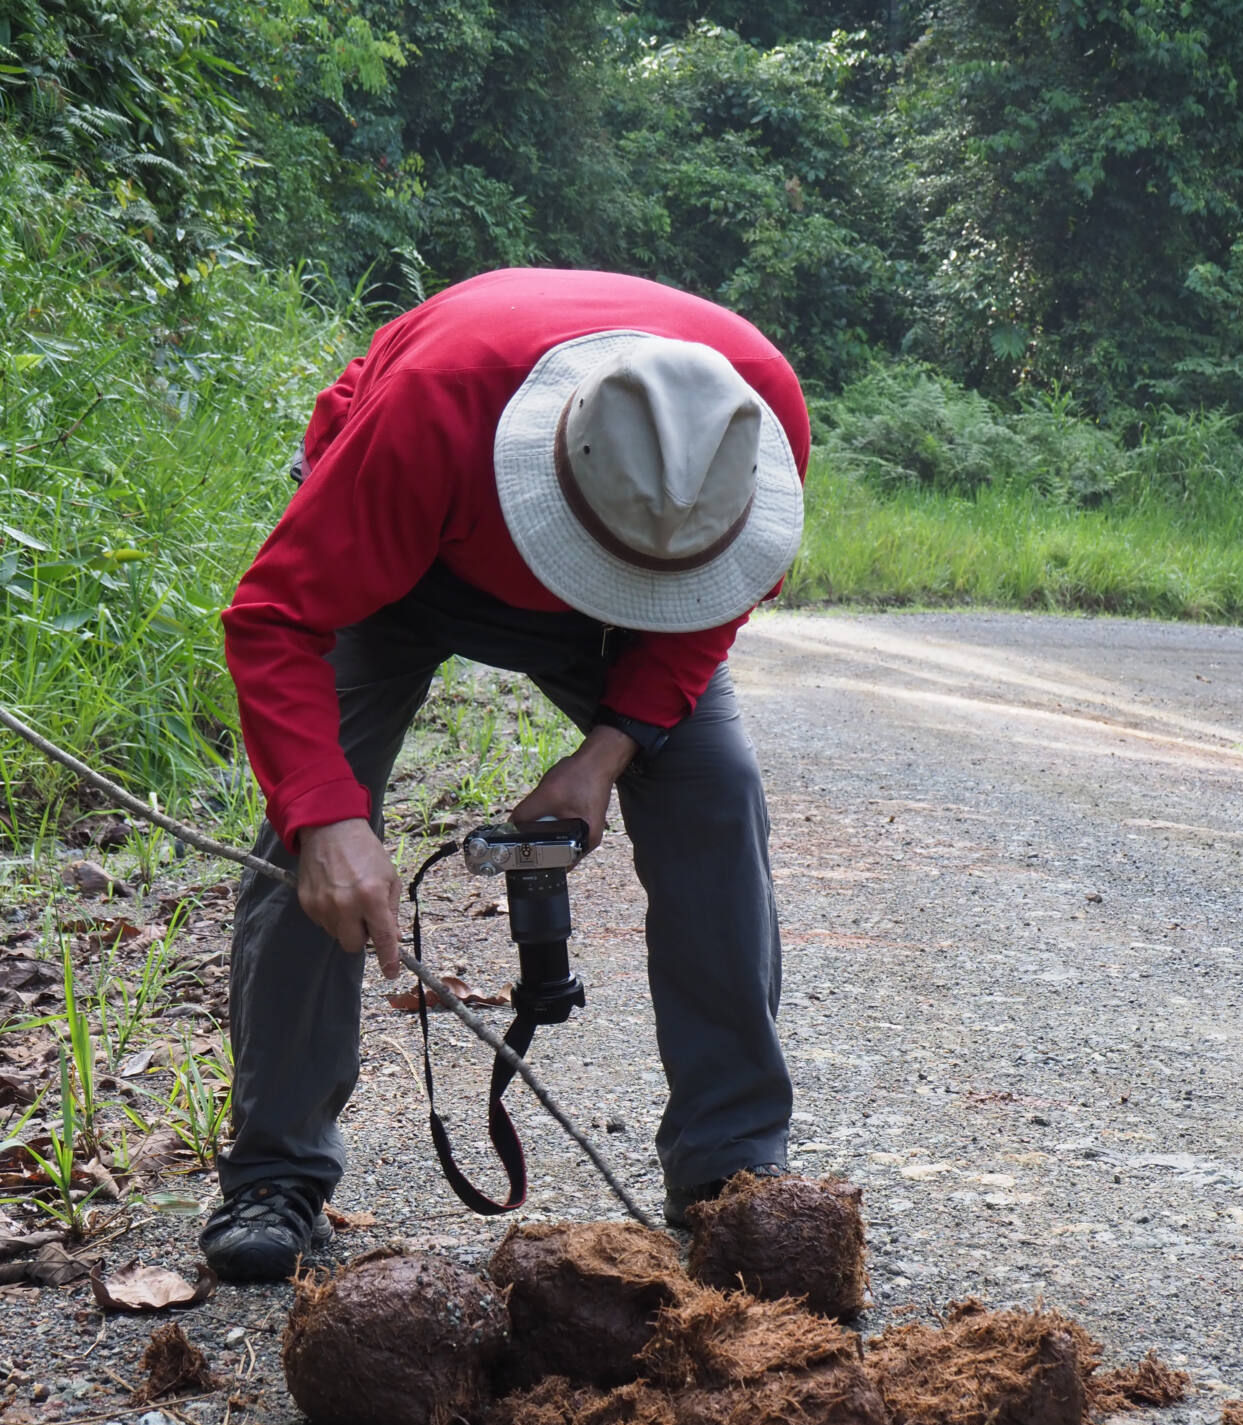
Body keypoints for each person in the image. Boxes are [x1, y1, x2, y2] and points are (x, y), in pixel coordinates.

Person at [201, 266, 809, 1281]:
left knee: (712, 791)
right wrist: (325, 821)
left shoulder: (756, 415)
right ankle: (275, 1173)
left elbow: (707, 610)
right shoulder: (430, 413)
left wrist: (606, 753)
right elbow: (276, 621)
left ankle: (730, 1172)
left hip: (619, 609)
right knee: (311, 828)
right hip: (411, 558)